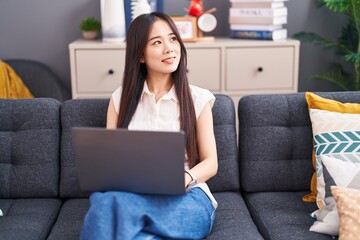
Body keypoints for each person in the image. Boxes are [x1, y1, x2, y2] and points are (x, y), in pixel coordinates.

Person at [80, 12, 218, 240]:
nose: (169, 48)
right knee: (114, 208)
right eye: (157, 42)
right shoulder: (119, 99)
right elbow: (111, 163)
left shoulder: (198, 99)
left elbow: (211, 163)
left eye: (173, 39)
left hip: (189, 198)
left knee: (108, 206)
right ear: (140, 55)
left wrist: (185, 177)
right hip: (134, 196)